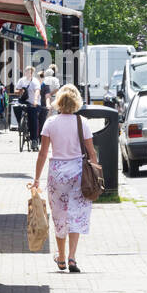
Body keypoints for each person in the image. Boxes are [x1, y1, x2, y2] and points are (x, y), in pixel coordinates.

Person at [33, 84, 99, 272]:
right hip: (78, 173)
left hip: (57, 174)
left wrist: (37, 179)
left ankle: (60, 258)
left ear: (58, 101)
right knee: (76, 214)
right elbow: (91, 152)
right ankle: (72, 258)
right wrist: (96, 174)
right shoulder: (82, 122)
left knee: (59, 215)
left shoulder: (51, 123)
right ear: (76, 101)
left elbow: (42, 153)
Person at [15, 65, 39, 144]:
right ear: (25, 72)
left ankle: (34, 140)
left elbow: (37, 91)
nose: (28, 73)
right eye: (27, 71)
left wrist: (35, 100)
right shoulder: (21, 80)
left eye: (30, 72)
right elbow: (16, 90)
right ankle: (21, 124)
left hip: (32, 102)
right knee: (16, 107)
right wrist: (20, 90)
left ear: (32, 73)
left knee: (33, 119)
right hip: (22, 101)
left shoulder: (35, 81)